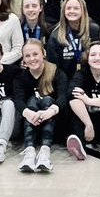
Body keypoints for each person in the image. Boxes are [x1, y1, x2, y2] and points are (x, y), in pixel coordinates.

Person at [15, 39, 68, 172]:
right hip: (31, 123)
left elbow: (63, 97)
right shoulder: (20, 77)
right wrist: (29, 113)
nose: (32, 59)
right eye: (27, 56)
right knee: (32, 100)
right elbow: (19, 100)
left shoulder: (56, 72)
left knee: (47, 100)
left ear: (43, 53)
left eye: (35, 54)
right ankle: (29, 151)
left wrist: (50, 111)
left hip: (54, 124)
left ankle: (45, 151)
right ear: (23, 59)